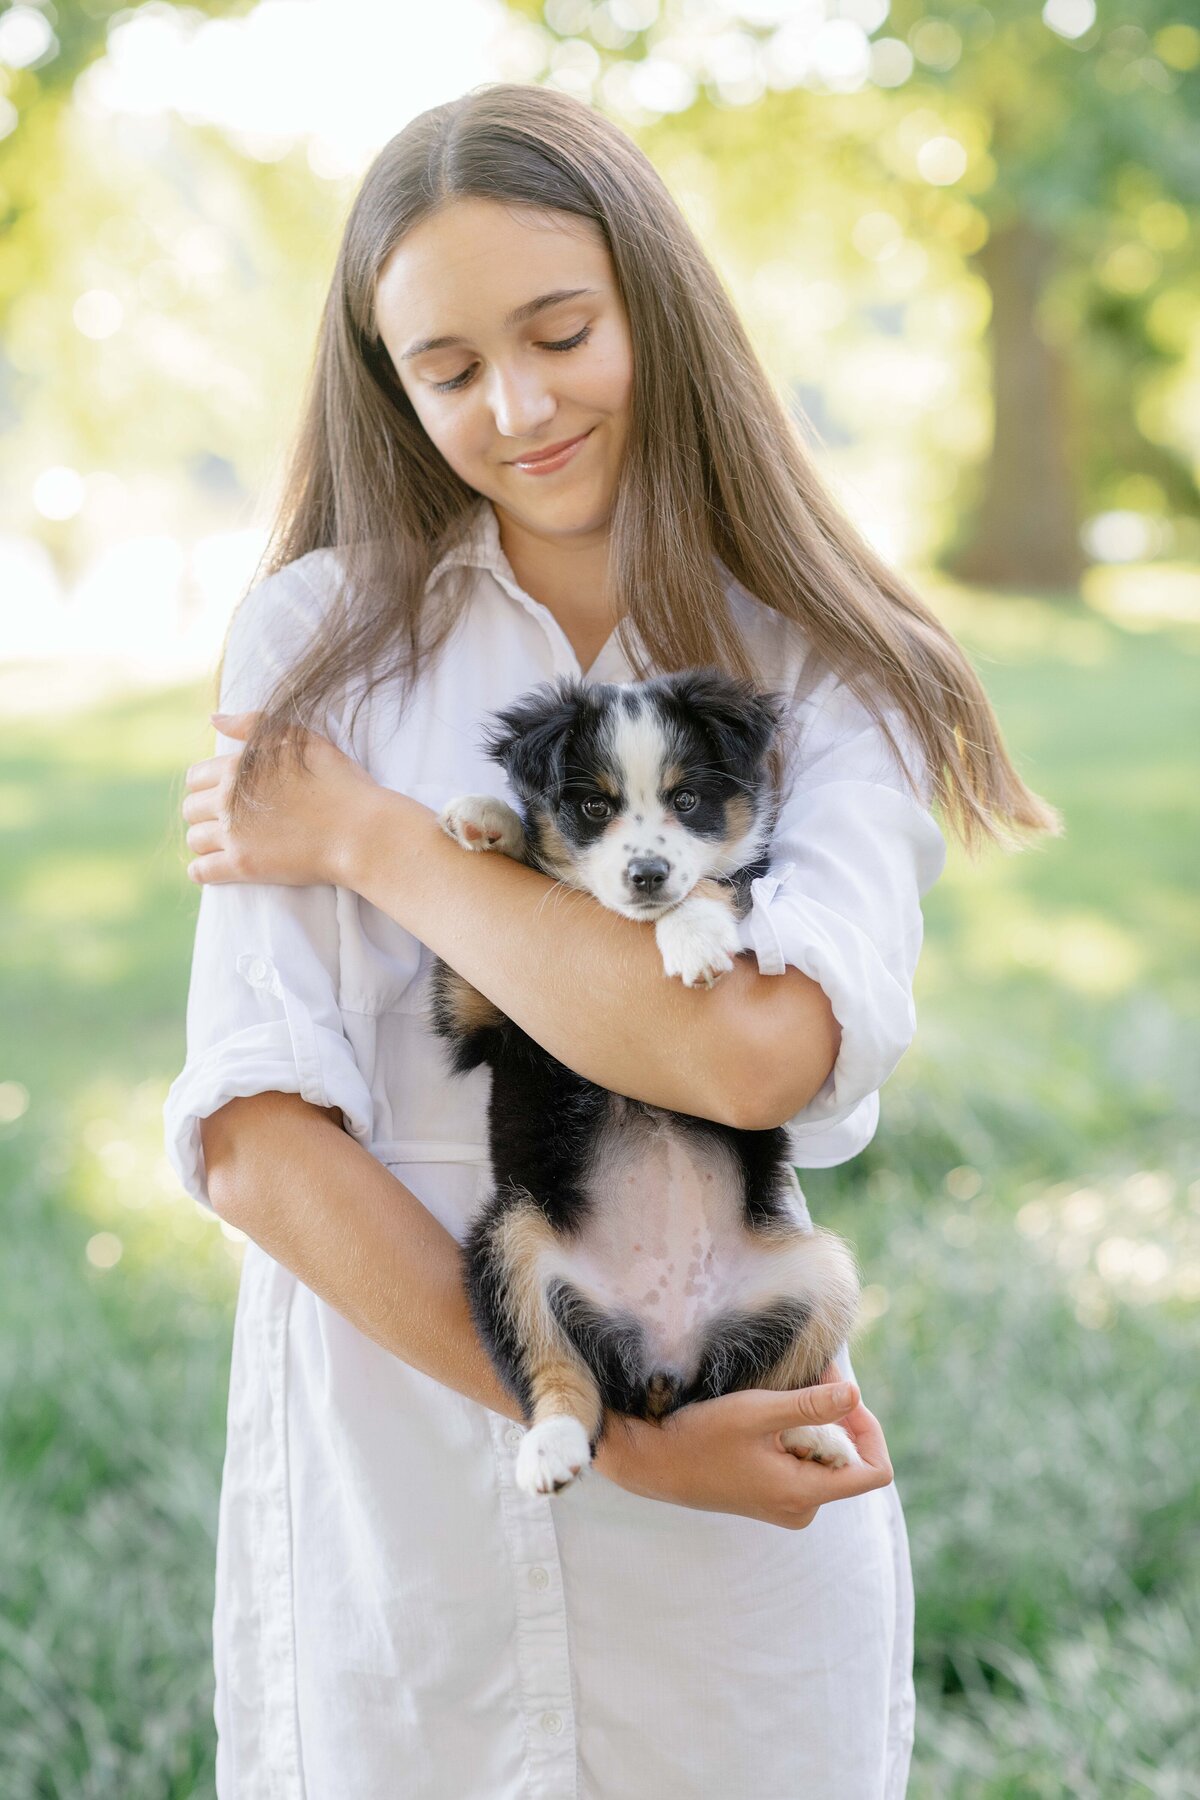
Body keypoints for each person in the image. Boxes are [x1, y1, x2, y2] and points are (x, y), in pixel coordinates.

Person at [165, 82, 1059, 1800]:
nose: (517, 404)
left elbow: (743, 1050)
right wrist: (606, 1439)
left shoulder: (819, 667)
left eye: (562, 330)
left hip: (738, 1502)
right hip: (402, 1508)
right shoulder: (315, 646)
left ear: (655, 301)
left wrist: (373, 837)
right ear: (389, 386)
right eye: (445, 369)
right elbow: (261, 1143)